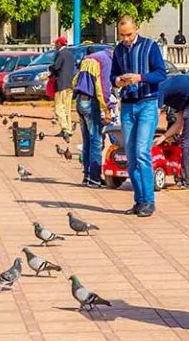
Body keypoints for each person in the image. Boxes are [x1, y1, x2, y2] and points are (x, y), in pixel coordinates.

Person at [112, 15, 168, 217]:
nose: (126, 39)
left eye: (129, 34)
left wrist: (140, 78)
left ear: (136, 28)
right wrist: (118, 81)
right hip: (128, 105)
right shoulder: (118, 50)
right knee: (131, 156)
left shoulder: (150, 46)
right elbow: (112, 76)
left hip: (147, 103)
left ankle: (149, 201)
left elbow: (161, 74)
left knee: (142, 152)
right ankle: (139, 200)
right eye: (122, 35)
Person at [72, 48, 114, 187]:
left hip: (80, 100)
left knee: (87, 141)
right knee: (96, 140)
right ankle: (95, 178)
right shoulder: (106, 61)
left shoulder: (90, 58)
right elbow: (102, 87)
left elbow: (75, 80)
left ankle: (87, 175)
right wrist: (107, 109)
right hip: (91, 102)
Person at [49, 42, 77, 137]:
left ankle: (65, 128)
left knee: (58, 108)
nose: (55, 46)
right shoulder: (70, 55)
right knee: (67, 109)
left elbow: (56, 67)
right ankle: (69, 129)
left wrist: (50, 68)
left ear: (59, 44)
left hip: (61, 85)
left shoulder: (61, 54)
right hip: (70, 84)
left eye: (56, 44)